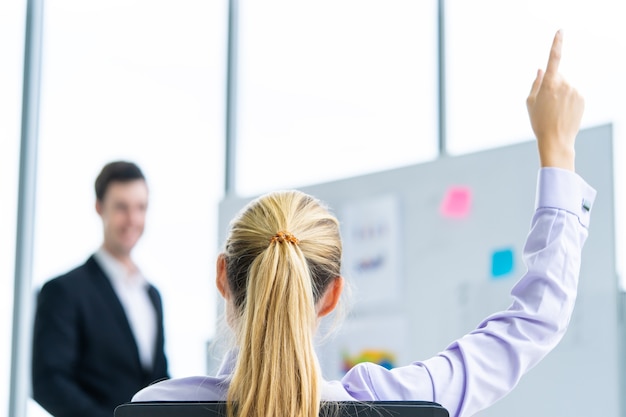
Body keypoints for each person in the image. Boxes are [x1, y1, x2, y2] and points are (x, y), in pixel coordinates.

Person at [132, 30, 593, 417]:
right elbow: (534, 321)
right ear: (332, 294)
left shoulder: (155, 407)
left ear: (222, 278)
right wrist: (558, 150)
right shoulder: (391, 405)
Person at [32, 161, 169, 417]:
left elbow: (158, 381)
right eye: (121, 207)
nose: (133, 219)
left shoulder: (152, 295)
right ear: (99, 208)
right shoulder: (64, 291)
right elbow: (48, 382)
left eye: (141, 207)